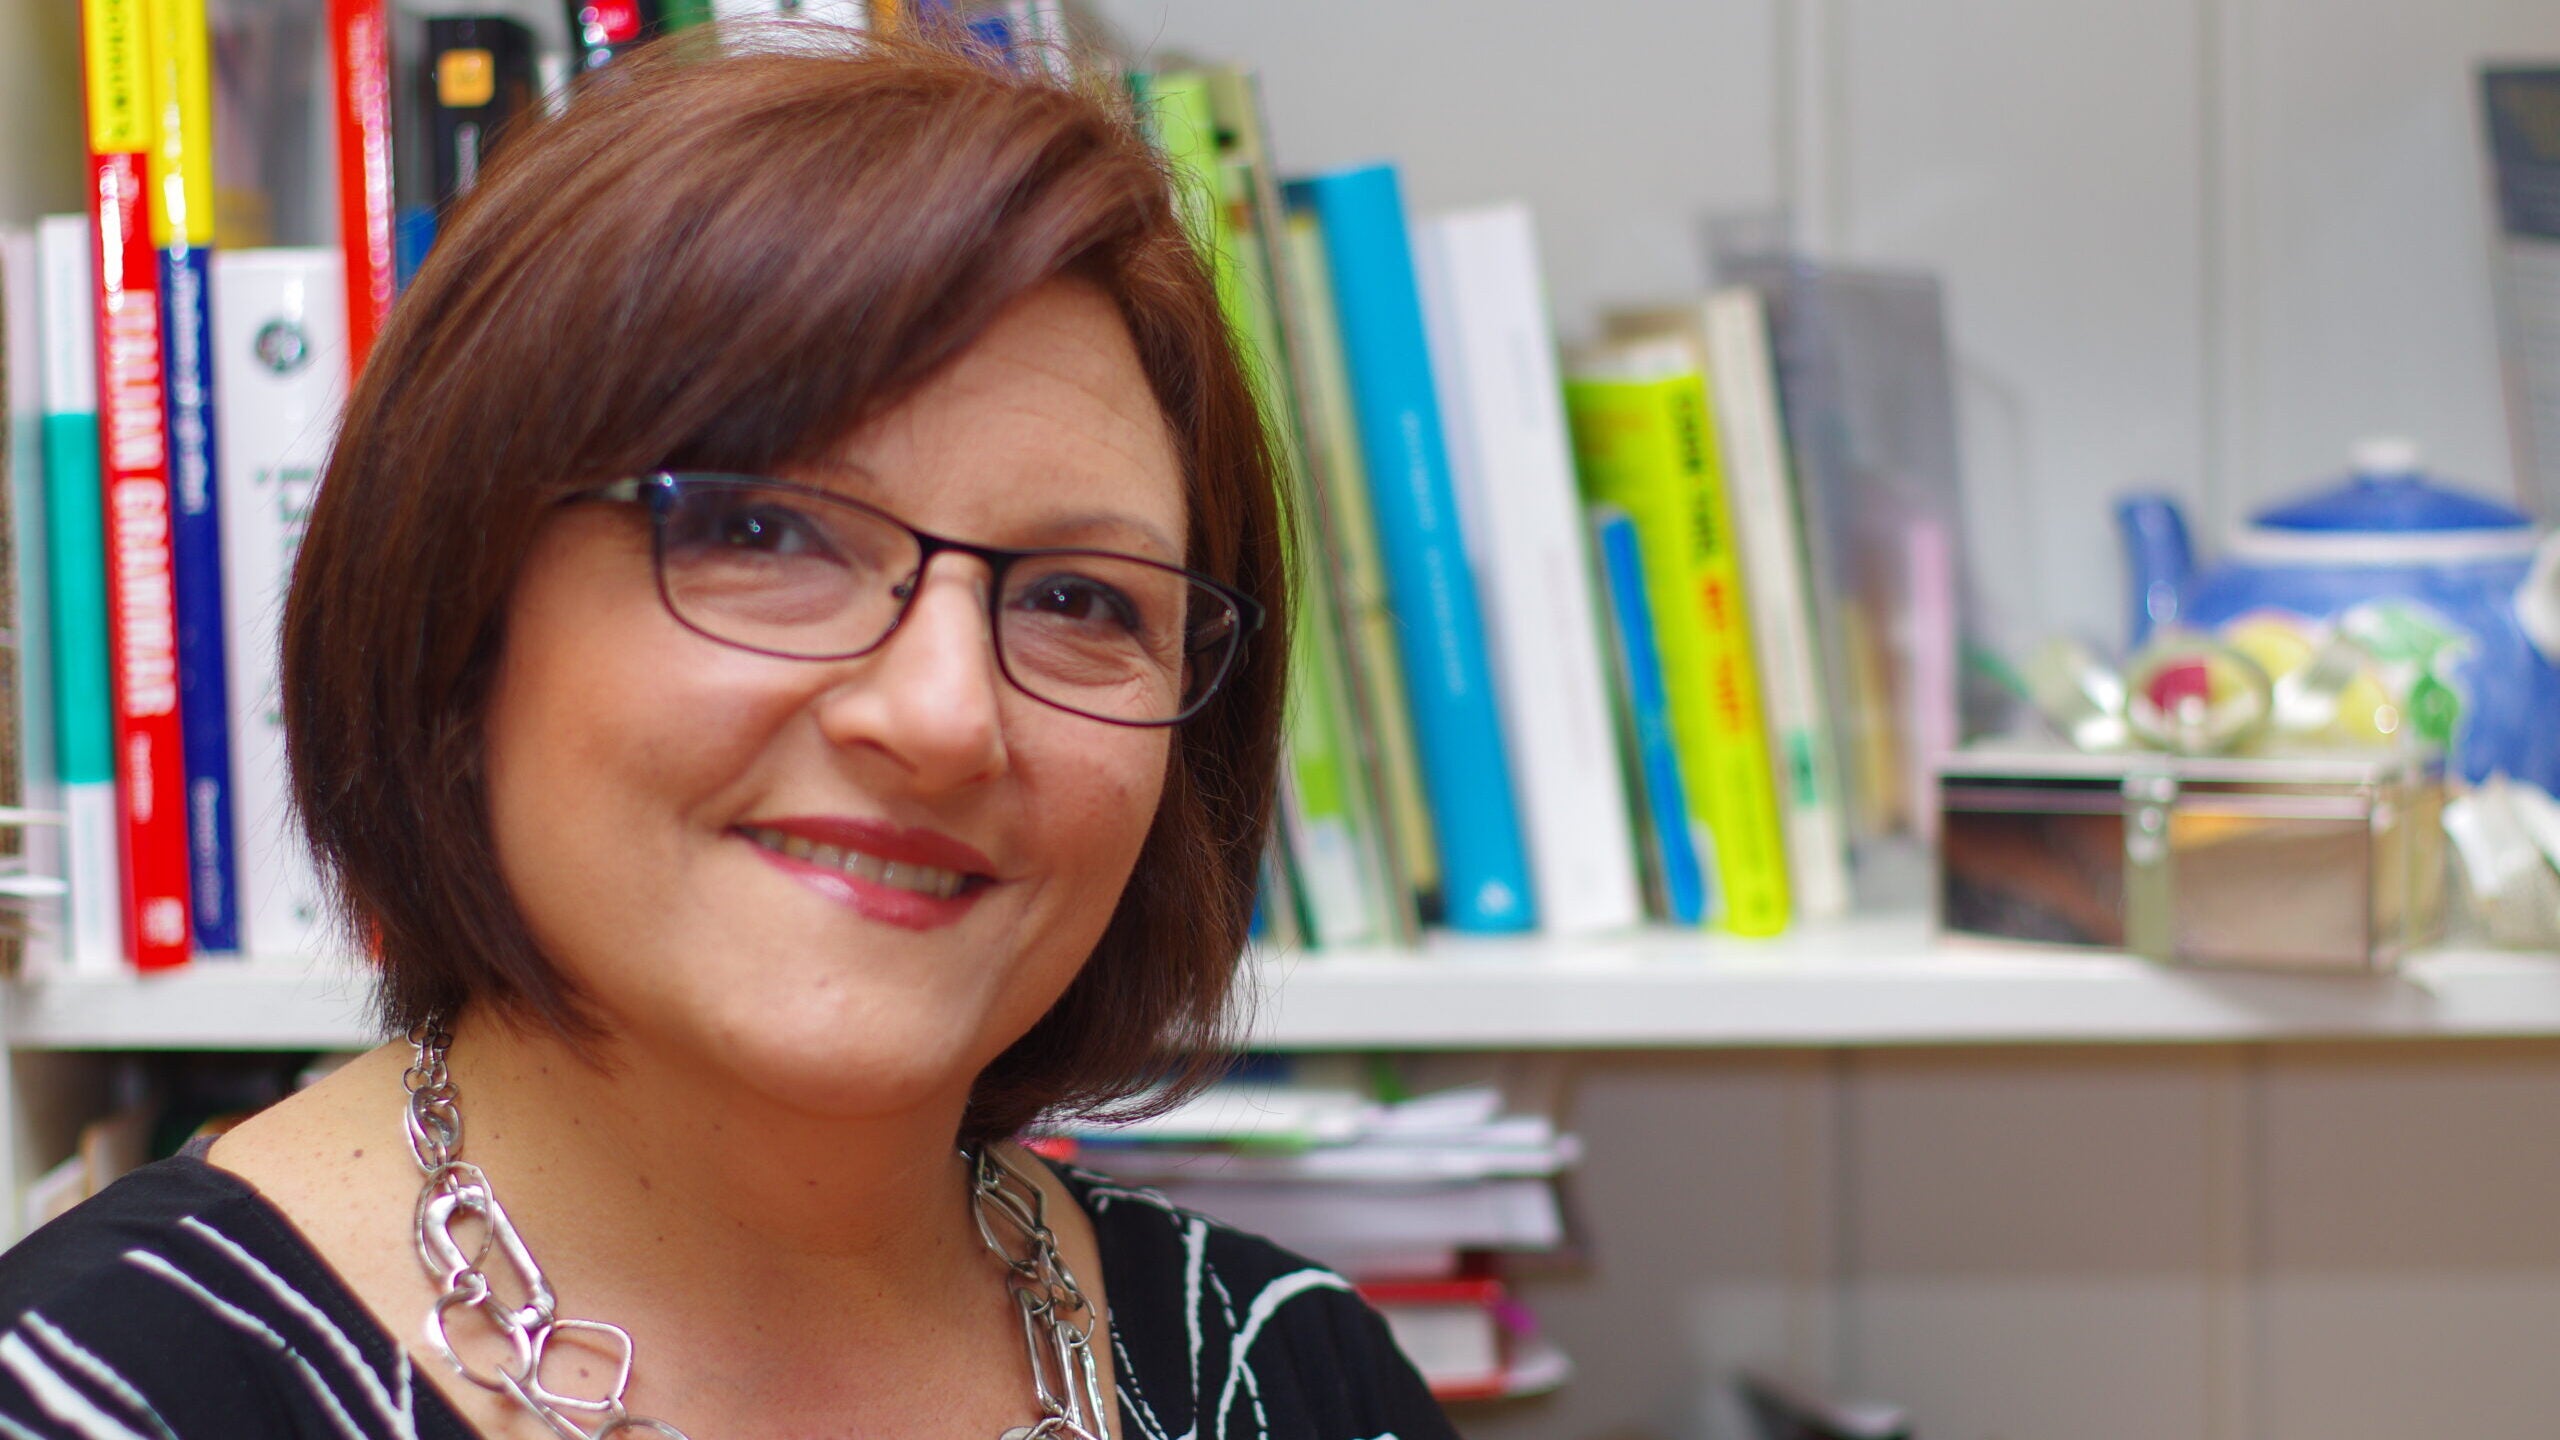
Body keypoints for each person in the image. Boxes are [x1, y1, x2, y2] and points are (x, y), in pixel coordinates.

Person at [0, 31, 1458, 1440]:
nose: (944, 715)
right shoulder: (95, 1391)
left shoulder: (1297, 1374)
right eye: (764, 531)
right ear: (458, 601)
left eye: (1081, 598)